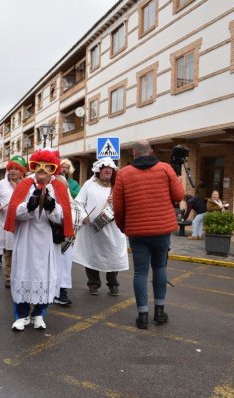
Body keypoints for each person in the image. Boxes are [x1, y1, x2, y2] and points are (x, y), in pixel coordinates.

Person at [112, 139, 184, 330]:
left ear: (134, 153)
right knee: (160, 267)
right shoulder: (165, 169)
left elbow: (118, 207)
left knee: (140, 272)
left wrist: (122, 227)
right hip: (161, 230)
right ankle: (159, 311)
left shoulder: (123, 174)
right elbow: (178, 196)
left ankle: (142, 315)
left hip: (137, 231)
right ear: (151, 151)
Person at [4, 148, 73, 331]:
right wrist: (29, 206)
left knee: (45, 274)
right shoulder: (24, 185)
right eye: (38, 166)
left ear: (54, 168)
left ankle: (39, 314)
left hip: (48, 242)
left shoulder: (58, 187)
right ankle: (22, 314)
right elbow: (14, 213)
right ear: (33, 167)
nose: (42, 170)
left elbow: (64, 217)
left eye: (47, 167)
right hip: (25, 239)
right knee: (23, 272)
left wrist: (52, 207)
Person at [73, 158, 129, 297]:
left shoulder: (117, 186)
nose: (107, 170)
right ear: (98, 170)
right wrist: (83, 216)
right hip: (92, 230)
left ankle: (113, 284)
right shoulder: (89, 185)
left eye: (110, 168)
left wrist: (116, 202)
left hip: (113, 230)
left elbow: (128, 205)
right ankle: (93, 284)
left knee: (113, 256)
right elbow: (78, 203)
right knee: (92, 256)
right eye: (104, 168)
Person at [0, 155, 27, 288]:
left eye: (16, 169)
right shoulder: (1, 184)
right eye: (10, 168)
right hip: (6, 223)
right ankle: (9, 277)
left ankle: (21, 276)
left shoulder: (27, 184)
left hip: (24, 224)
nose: (12, 171)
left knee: (22, 252)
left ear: (22, 171)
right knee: (9, 252)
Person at [53, 158, 80, 306]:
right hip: (49, 231)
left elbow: (74, 203)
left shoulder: (68, 185)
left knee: (64, 262)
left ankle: (61, 292)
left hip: (64, 231)